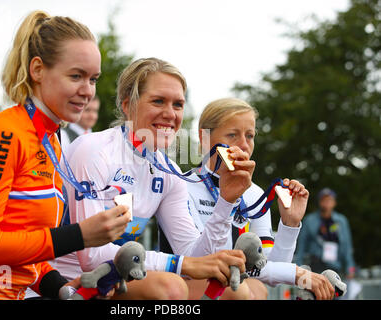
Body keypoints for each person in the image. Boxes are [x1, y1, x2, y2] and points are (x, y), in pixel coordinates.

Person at [0, 10, 130, 300]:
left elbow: (24, 244)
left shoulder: (52, 141)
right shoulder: (4, 132)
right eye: (76, 76)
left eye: (93, 79)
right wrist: (79, 236)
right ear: (37, 70)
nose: (87, 90)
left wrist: (62, 287)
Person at [51, 58, 253, 299]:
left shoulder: (169, 172)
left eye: (178, 105)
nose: (170, 114)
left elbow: (198, 258)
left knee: (236, 292)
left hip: (120, 277)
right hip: (64, 280)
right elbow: (91, 256)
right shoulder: (94, 150)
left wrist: (227, 201)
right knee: (171, 287)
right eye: (158, 101)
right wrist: (180, 265)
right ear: (127, 105)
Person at [176, 97, 335, 300]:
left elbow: (268, 268)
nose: (243, 145)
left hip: (239, 290)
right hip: (187, 286)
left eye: (250, 136)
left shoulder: (255, 194)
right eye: (233, 135)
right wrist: (298, 273)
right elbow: (200, 262)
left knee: (257, 288)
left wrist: (290, 223)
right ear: (205, 137)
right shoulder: (183, 185)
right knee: (238, 291)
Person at [295, 188, 356, 279]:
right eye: (324, 200)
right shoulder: (309, 220)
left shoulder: (341, 221)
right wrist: (298, 268)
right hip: (314, 266)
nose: (327, 203)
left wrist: (350, 268)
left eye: (330, 200)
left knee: (333, 291)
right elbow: (301, 245)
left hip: (335, 265)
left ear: (334, 203)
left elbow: (347, 246)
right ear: (319, 202)